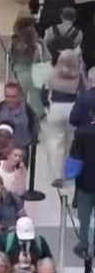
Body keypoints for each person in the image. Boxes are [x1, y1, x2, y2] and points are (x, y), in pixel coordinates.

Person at [42, 49, 82, 187]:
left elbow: (44, 92)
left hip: (56, 108)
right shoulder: (79, 75)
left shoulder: (52, 73)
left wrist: (47, 107)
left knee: (54, 141)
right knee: (70, 141)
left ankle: (57, 174)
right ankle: (68, 171)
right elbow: (83, 92)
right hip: (73, 108)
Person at [10, 16, 48, 117]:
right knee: (35, 98)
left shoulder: (15, 42)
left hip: (20, 72)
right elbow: (45, 58)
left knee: (21, 99)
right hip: (34, 73)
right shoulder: (37, 44)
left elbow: (12, 59)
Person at [0, 82, 38, 154]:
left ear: (20, 96)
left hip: (21, 149)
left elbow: (34, 125)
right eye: (7, 96)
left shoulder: (27, 109)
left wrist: (33, 140)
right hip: (2, 150)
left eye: (13, 97)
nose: (9, 100)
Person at [71, 113, 95, 258]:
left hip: (85, 182)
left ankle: (83, 244)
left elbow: (75, 157)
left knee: (84, 217)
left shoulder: (82, 132)